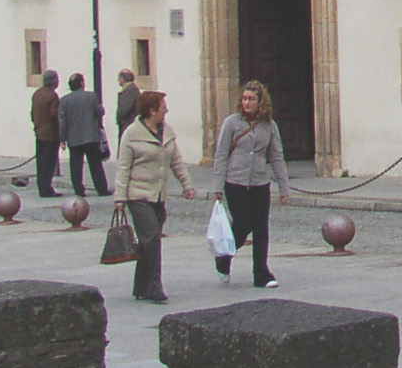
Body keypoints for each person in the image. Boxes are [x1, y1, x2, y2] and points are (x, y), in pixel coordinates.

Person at [114, 90, 196, 304]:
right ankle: (154, 286)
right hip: (138, 195)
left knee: (148, 241)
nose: (166, 109)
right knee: (151, 238)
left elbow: (176, 161)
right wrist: (120, 199)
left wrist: (187, 184)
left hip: (158, 195)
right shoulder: (131, 134)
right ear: (152, 110)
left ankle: (141, 286)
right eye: (163, 106)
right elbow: (123, 168)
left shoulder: (167, 132)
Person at [211, 80, 291, 289]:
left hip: (259, 181)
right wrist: (217, 186)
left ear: (260, 101)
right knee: (243, 223)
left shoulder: (269, 126)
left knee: (261, 227)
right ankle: (225, 256)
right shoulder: (232, 123)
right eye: (244, 98)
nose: (246, 102)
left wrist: (284, 188)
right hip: (235, 180)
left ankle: (261, 272)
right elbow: (220, 156)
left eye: (251, 99)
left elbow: (276, 157)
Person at [58, 72, 111, 197]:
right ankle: (102, 188)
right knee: (95, 165)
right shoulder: (91, 96)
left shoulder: (64, 100)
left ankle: (79, 190)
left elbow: (63, 122)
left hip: (74, 137)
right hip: (91, 136)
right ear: (82, 83)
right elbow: (99, 112)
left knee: (75, 166)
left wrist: (62, 138)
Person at [30, 69, 61, 198]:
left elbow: (32, 113)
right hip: (50, 134)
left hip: (39, 132)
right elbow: (55, 115)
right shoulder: (52, 96)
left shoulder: (37, 94)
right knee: (49, 163)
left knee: (41, 162)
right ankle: (46, 188)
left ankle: (42, 186)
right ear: (54, 82)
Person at [115, 68, 141, 135]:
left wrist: (119, 119)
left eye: (119, 78)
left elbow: (124, 109)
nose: (118, 80)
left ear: (122, 79)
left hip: (128, 125)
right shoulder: (132, 89)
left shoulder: (129, 91)